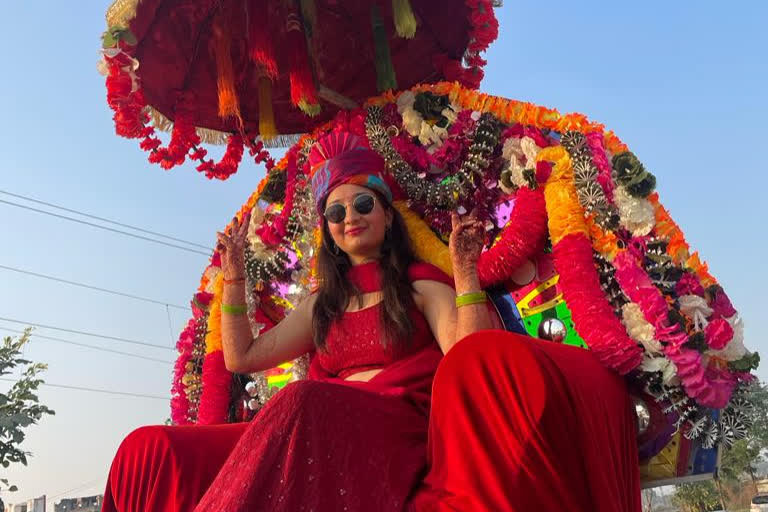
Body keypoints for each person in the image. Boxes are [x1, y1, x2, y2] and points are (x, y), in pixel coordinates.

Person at [102, 132, 641, 512]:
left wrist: (465, 272)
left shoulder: (422, 285)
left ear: (385, 212)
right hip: (320, 429)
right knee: (149, 450)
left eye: (361, 204)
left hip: (398, 433)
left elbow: (470, 354)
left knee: (302, 401)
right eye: (335, 213)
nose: (350, 218)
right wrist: (235, 281)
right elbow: (243, 358)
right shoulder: (322, 305)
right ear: (328, 231)